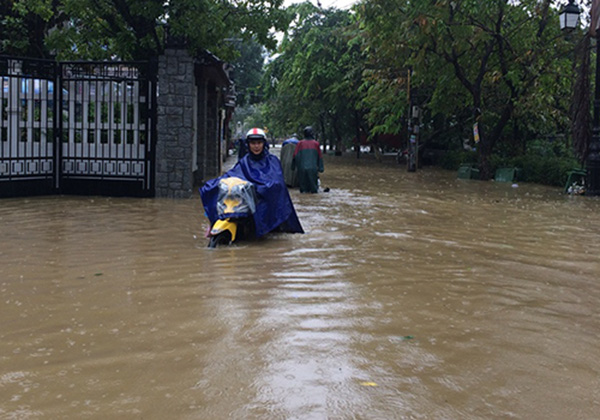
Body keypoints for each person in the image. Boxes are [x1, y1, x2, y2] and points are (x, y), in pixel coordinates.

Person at [200, 128, 304, 238]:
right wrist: (215, 183)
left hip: (266, 200)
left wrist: (262, 188)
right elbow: (232, 175)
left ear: (264, 144)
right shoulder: (244, 162)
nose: (256, 146)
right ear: (248, 144)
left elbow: (277, 182)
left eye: (259, 143)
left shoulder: (273, 161)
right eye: (253, 143)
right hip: (246, 199)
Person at [292, 126, 324, 193]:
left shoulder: (300, 143)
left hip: (302, 169)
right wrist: (321, 167)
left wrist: (293, 166)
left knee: (303, 190)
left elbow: (295, 155)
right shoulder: (316, 144)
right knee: (314, 190)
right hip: (313, 169)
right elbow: (320, 157)